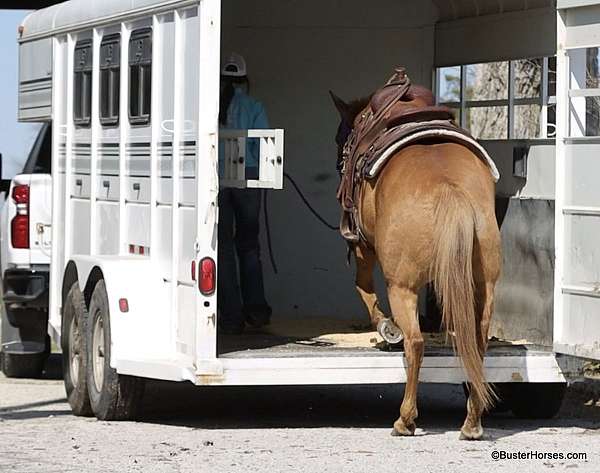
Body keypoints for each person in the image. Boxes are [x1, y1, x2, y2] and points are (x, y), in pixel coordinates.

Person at [217, 53, 272, 334]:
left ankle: (230, 314)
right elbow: (263, 147)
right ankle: (257, 310)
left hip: (218, 181)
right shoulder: (254, 106)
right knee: (249, 247)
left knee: (223, 248)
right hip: (248, 179)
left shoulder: (211, 106)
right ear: (245, 80)